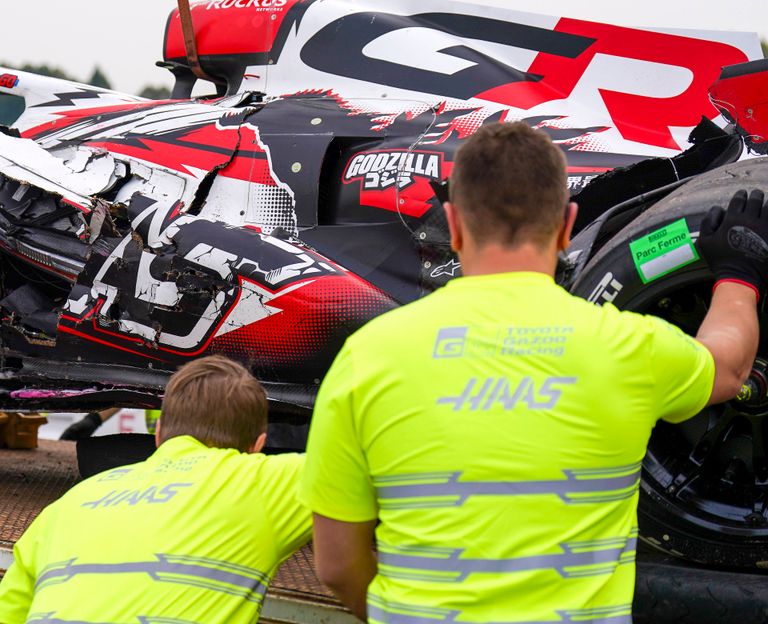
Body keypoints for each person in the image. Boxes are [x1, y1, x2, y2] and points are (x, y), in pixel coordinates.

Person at [300, 122, 766, 622]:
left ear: (453, 224)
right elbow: (729, 370)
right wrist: (738, 275)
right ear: (567, 226)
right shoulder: (627, 348)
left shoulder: (368, 357)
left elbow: (336, 564)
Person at [0, 355, 312, 624]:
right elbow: (358, 470)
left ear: (157, 438)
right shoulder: (265, 481)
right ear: (258, 446)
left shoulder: (67, 505)